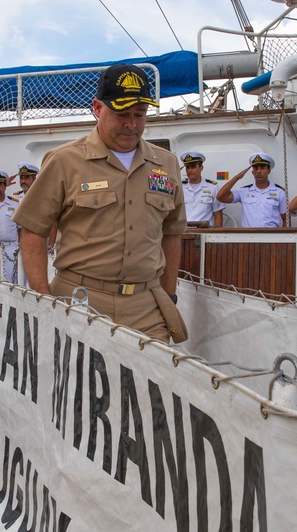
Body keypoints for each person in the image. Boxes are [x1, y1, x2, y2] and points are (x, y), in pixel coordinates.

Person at [12, 63, 187, 343]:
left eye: (139, 115)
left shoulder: (166, 164)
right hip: (79, 302)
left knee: (150, 387)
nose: (131, 125)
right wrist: (43, 298)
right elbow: (32, 228)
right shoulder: (64, 161)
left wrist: (168, 295)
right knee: (76, 387)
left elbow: (172, 232)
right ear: (97, 108)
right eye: (122, 115)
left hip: (147, 309)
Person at [216, 152, 288, 228]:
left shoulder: (280, 192)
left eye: (262, 168)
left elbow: (286, 220)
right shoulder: (244, 191)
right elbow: (221, 197)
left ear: (268, 171)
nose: (258, 171)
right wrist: (237, 177)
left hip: (271, 237)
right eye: (256, 168)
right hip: (248, 237)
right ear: (252, 172)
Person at [180, 151, 224, 227]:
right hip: (184, 231)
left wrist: (216, 234)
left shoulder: (213, 187)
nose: (190, 170)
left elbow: (218, 215)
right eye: (187, 167)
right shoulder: (180, 187)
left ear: (201, 168)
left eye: (193, 166)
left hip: (204, 232)